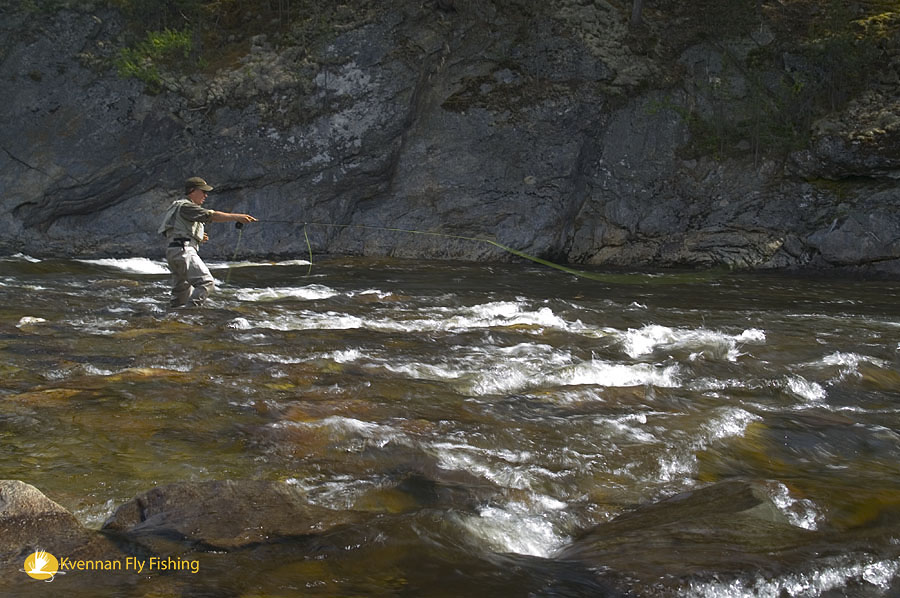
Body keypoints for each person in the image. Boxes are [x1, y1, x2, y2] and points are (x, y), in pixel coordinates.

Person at [158, 176, 257, 308]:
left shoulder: (178, 206)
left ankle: (174, 319)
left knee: (180, 296)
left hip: (174, 251)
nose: (206, 195)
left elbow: (174, 230)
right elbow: (211, 215)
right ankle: (190, 314)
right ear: (192, 190)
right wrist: (236, 217)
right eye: (203, 191)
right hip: (183, 251)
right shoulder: (187, 206)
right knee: (206, 282)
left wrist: (197, 236)